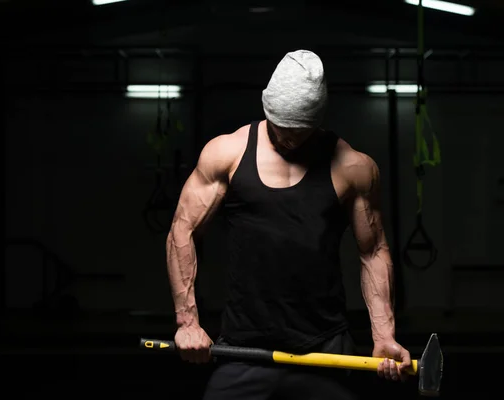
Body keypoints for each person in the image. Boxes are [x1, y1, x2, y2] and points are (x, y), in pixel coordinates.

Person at [165, 50, 412, 399]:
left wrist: (384, 335)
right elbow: (182, 229)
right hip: (243, 348)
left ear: (316, 120)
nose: (290, 139)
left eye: (300, 131)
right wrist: (188, 322)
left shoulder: (353, 168)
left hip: (326, 347)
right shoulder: (227, 153)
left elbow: (373, 251)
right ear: (268, 110)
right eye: (282, 129)